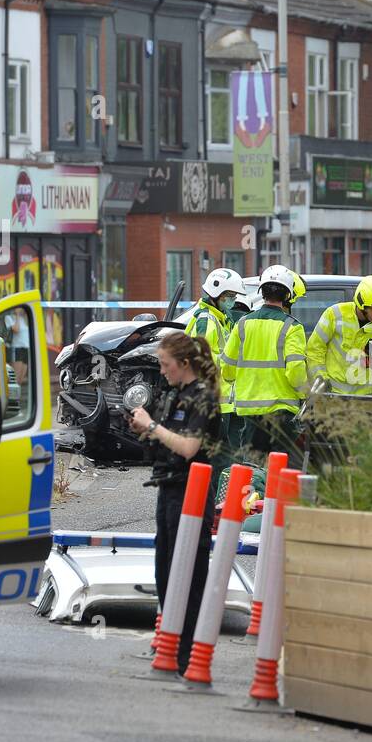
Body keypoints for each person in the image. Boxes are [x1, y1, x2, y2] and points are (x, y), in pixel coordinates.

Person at [127, 331, 223, 674]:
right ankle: (169, 647)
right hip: (168, 488)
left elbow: (189, 448)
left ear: (184, 364)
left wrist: (152, 426)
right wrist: (144, 429)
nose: (162, 370)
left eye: (166, 364)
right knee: (166, 570)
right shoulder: (174, 394)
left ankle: (189, 653)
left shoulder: (204, 398)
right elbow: (166, 439)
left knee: (190, 572)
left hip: (192, 491)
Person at [220, 264, 307, 458]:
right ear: (287, 295)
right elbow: (295, 373)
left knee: (251, 472)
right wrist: (305, 393)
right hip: (282, 412)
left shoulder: (242, 324)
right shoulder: (292, 328)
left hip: (249, 412)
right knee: (278, 473)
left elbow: (226, 369)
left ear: (262, 292)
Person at [186, 268, 247, 465]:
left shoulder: (220, 319)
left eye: (234, 296)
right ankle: (214, 495)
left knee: (225, 457)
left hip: (224, 400)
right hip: (215, 400)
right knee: (218, 459)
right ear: (215, 295)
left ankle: (221, 494)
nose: (233, 300)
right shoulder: (207, 321)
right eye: (229, 296)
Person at [306, 276, 372, 395]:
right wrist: (320, 378)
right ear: (362, 304)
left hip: (366, 399)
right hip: (332, 395)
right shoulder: (334, 314)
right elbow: (314, 350)